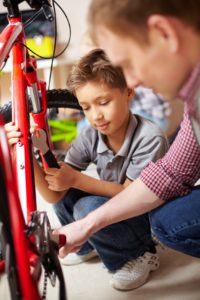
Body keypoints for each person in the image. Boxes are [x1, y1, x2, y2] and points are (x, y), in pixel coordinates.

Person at [52, 0, 200, 282]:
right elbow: (171, 173)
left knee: (168, 223)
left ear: (164, 33)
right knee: (169, 220)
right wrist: (87, 225)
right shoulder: (194, 102)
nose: (132, 81)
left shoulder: (149, 133)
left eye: (128, 63)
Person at [6, 48, 169, 291]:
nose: (96, 116)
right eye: (86, 107)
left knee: (84, 204)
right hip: (117, 211)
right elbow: (54, 194)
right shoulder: (91, 135)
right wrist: (26, 151)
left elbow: (133, 195)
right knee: (66, 189)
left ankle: (136, 254)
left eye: (103, 102)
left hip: (145, 219)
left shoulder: (150, 138)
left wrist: (76, 179)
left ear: (128, 93)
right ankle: (87, 245)